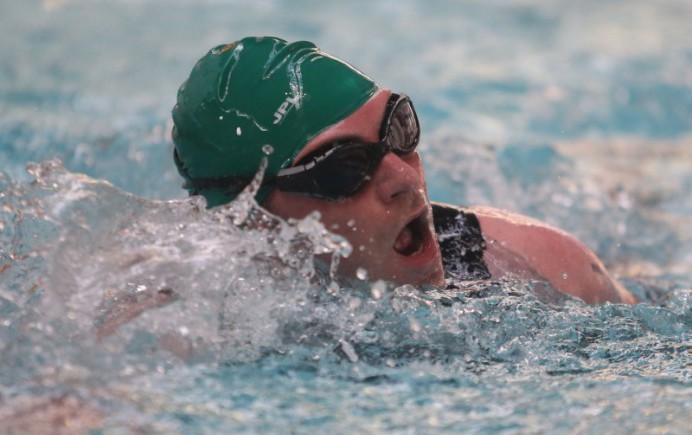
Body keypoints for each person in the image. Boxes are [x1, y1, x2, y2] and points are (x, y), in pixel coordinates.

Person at [171, 36, 637, 305]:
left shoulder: (545, 269)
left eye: (399, 128)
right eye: (343, 167)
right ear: (249, 216)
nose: (405, 179)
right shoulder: (179, 315)